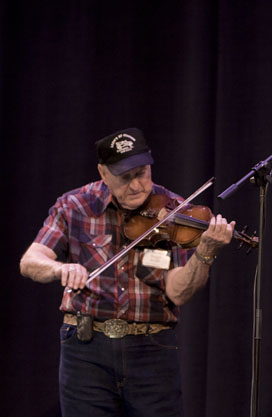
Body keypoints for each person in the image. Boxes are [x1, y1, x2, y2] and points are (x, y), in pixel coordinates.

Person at [19, 128, 234, 417]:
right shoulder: (75, 206)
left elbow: (178, 291)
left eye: (142, 173)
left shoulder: (174, 211)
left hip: (151, 350)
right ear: (103, 173)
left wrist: (205, 253)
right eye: (124, 177)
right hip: (85, 350)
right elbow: (31, 260)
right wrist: (61, 267)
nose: (137, 186)